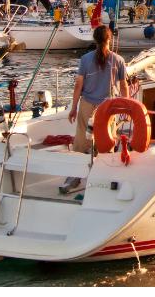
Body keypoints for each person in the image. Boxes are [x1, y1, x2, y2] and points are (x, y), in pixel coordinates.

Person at [61, 25, 129, 193]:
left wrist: (73, 107)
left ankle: (76, 176)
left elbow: (78, 85)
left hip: (87, 104)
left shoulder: (85, 59)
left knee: (81, 140)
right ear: (109, 39)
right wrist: (126, 107)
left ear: (95, 39)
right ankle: (105, 176)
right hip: (107, 107)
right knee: (106, 140)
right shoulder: (118, 60)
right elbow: (123, 86)